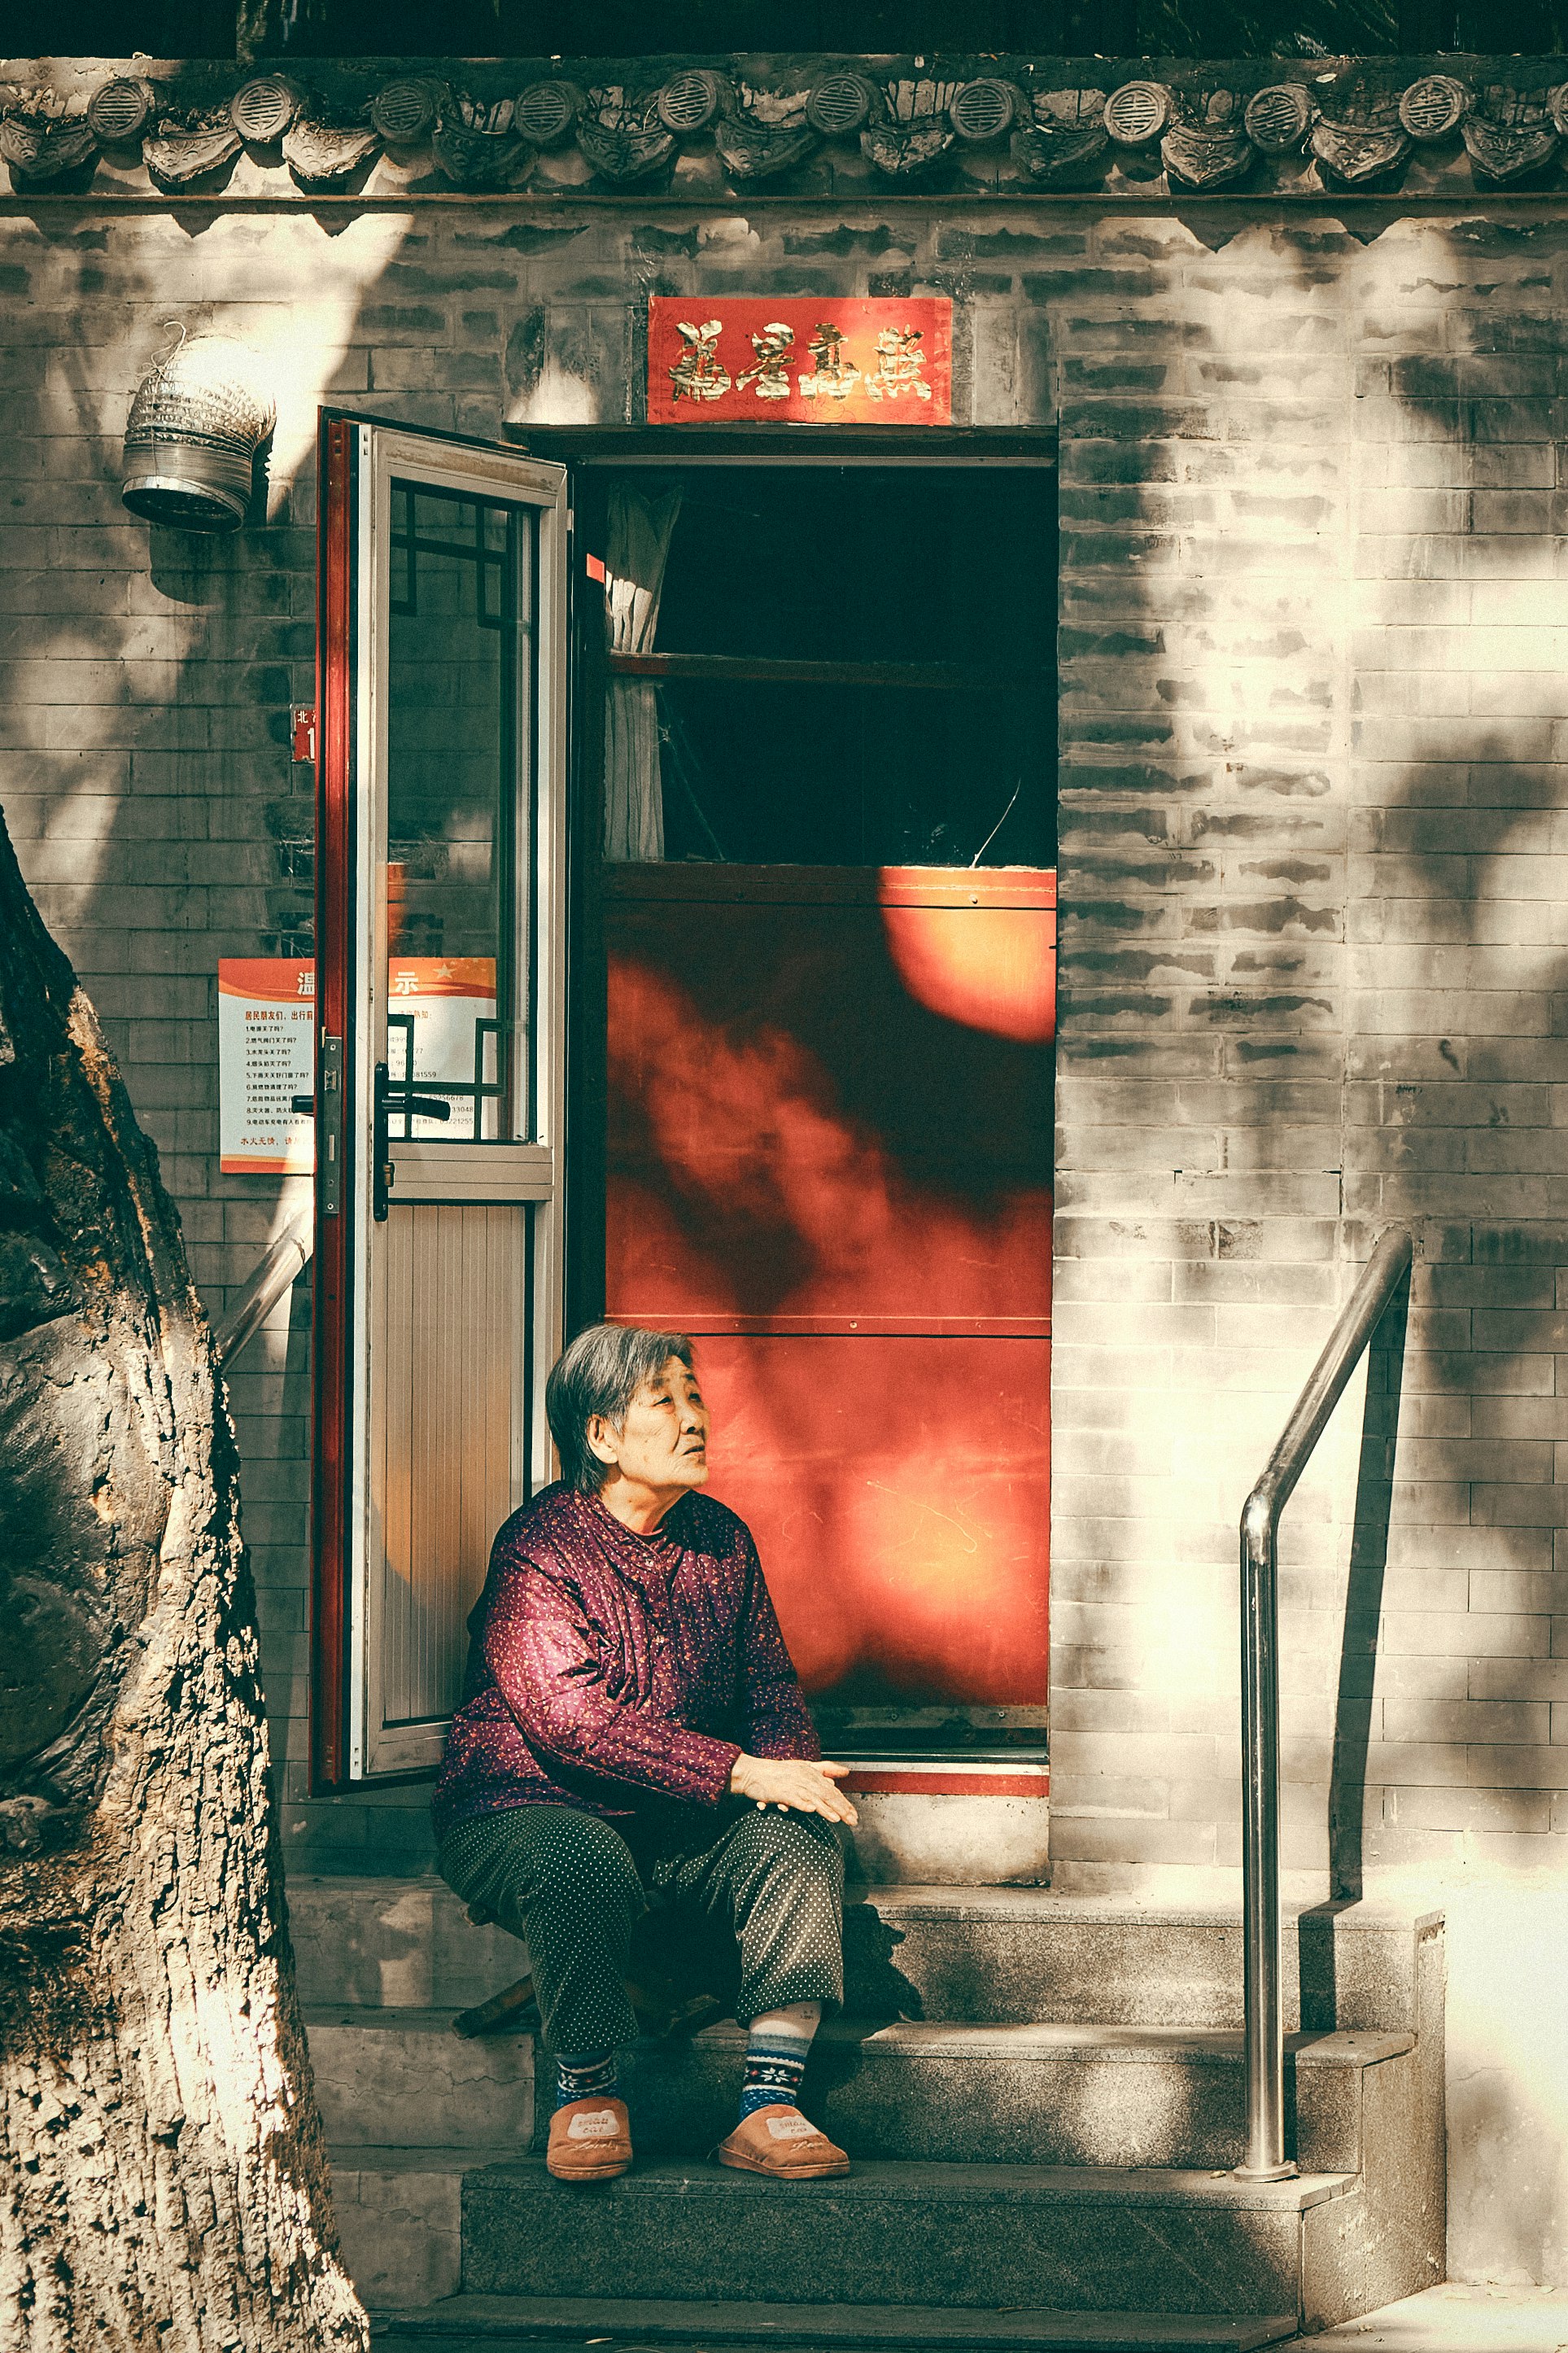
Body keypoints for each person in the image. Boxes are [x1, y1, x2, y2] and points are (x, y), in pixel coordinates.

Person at [432, 1321, 858, 2185]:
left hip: (679, 1823)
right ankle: (586, 2088)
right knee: (575, 1855)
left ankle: (769, 2105)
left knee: (801, 1835)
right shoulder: (539, 1546)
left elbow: (770, 1692)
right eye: (664, 1400)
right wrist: (738, 1771)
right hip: (523, 1809)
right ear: (601, 1435)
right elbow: (568, 1719)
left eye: (694, 1395)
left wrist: (791, 1777)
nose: (695, 1417)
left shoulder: (720, 1539)